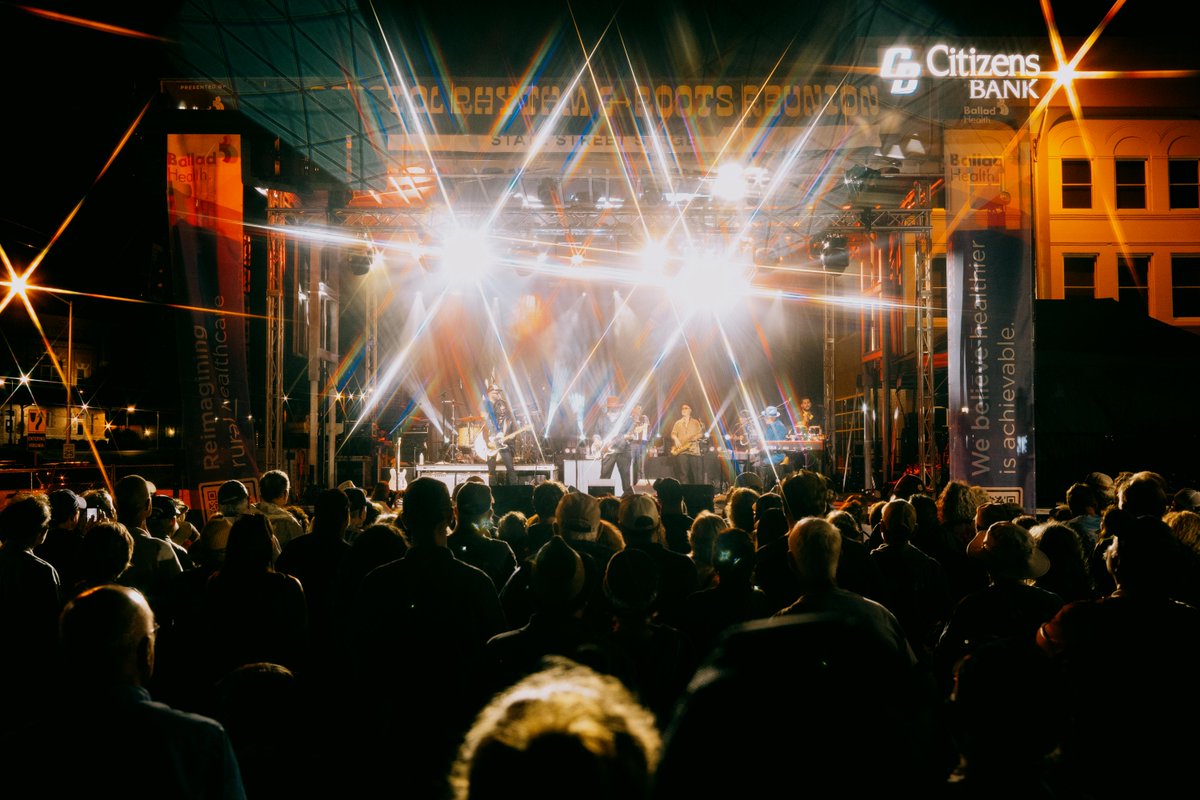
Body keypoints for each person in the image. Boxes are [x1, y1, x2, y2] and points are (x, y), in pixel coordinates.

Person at [596, 396, 632, 494]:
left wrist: (623, 437)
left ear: (619, 407)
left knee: (626, 479)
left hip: (623, 451)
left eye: (614, 406)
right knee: (604, 478)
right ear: (608, 407)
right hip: (607, 451)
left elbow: (631, 435)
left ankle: (628, 502)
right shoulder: (602, 418)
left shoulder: (627, 419)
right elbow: (597, 433)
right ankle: (602, 500)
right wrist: (597, 441)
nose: (612, 408)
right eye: (610, 406)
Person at [483, 384, 517, 486]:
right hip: (492, 443)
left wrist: (509, 438)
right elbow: (485, 430)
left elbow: (512, 433)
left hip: (503, 444)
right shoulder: (489, 412)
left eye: (504, 410)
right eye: (500, 410)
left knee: (510, 468)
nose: (502, 411)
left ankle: (514, 489)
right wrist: (488, 441)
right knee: (491, 470)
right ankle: (492, 490)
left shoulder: (508, 419)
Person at [669, 403, 704, 484]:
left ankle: (696, 493)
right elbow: (673, 433)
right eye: (682, 408)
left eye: (686, 408)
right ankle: (685, 492)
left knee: (696, 474)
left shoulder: (695, 422)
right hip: (682, 451)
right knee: (683, 474)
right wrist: (676, 439)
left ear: (690, 410)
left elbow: (701, 434)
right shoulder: (678, 423)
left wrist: (696, 437)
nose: (683, 410)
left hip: (694, 451)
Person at [629, 403, 651, 486]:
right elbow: (633, 431)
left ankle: (641, 486)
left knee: (641, 466)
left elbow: (646, 427)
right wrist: (639, 428)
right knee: (631, 465)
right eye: (638, 408)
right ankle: (631, 484)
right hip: (633, 444)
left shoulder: (644, 418)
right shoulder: (630, 419)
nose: (639, 410)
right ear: (633, 409)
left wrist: (638, 428)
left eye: (640, 408)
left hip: (643, 443)